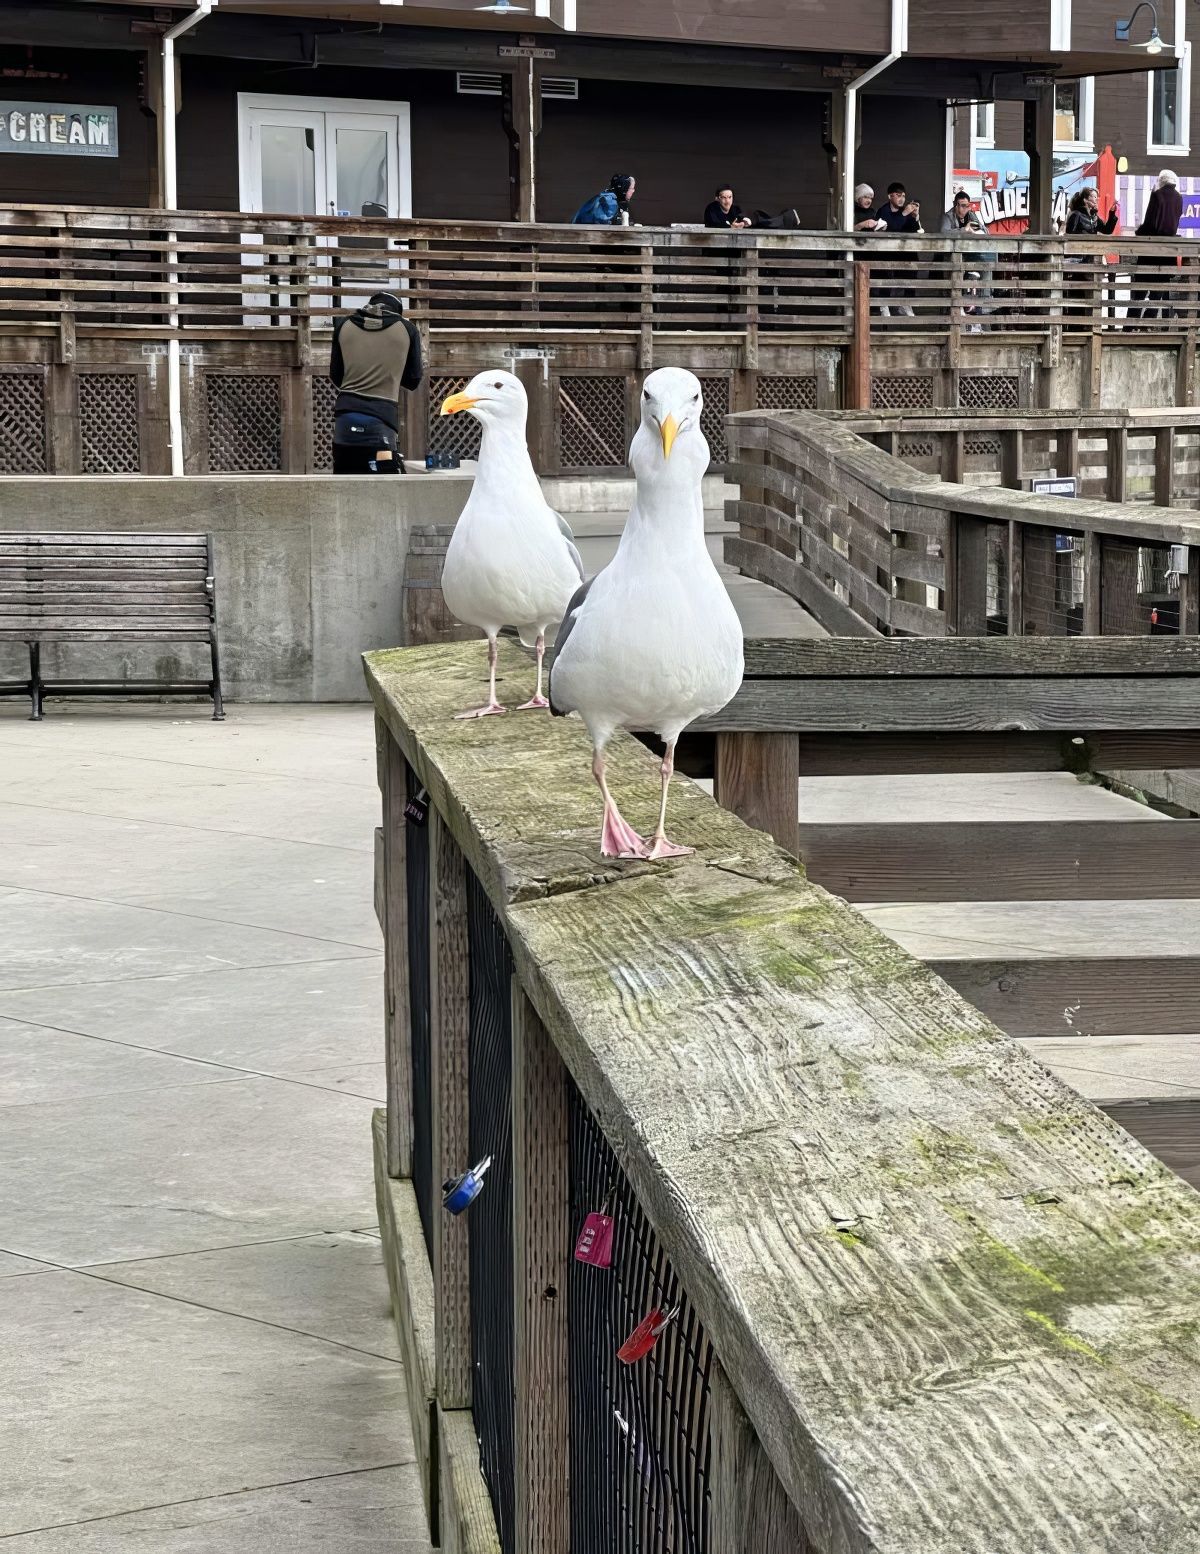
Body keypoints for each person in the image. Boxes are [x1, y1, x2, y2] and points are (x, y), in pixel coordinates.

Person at [329, 291, 423, 474]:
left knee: (344, 484)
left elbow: (335, 375)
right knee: (386, 487)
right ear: (398, 310)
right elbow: (413, 380)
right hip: (382, 420)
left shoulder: (343, 324)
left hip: (345, 419)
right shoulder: (407, 330)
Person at [1128, 169, 1182, 321]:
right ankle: (1147, 322)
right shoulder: (1179, 197)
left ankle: (1130, 324)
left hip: (1151, 251)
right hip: (1167, 251)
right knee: (1158, 292)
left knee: (1139, 290)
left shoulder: (1157, 195)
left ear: (1161, 180)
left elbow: (1151, 222)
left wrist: (1139, 232)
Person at [1065, 186, 1120, 322]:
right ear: (1085, 200)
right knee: (1078, 293)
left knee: (1092, 294)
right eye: (1093, 197)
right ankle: (1075, 324)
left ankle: (1089, 324)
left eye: (1096, 197)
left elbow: (1107, 230)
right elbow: (1069, 236)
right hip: (1078, 260)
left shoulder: (1094, 217)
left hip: (1091, 260)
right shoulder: (1076, 214)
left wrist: (1112, 214)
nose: (1096, 200)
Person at [940, 189, 992, 328]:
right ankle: (959, 308)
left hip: (971, 255)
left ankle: (983, 306)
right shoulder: (948, 216)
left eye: (967, 206)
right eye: (962, 205)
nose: (965, 209)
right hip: (951, 258)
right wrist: (964, 230)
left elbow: (986, 231)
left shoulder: (971, 215)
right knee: (958, 276)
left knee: (987, 266)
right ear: (955, 205)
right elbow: (943, 233)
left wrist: (978, 229)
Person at [874, 181, 922, 316]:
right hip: (886, 251)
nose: (902, 199)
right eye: (898, 195)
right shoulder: (883, 210)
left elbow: (916, 230)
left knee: (913, 262)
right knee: (886, 273)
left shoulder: (905, 211)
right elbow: (892, 227)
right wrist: (905, 214)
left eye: (904, 196)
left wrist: (915, 216)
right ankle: (884, 305)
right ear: (890, 196)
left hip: (903, 251)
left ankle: (906, 303)